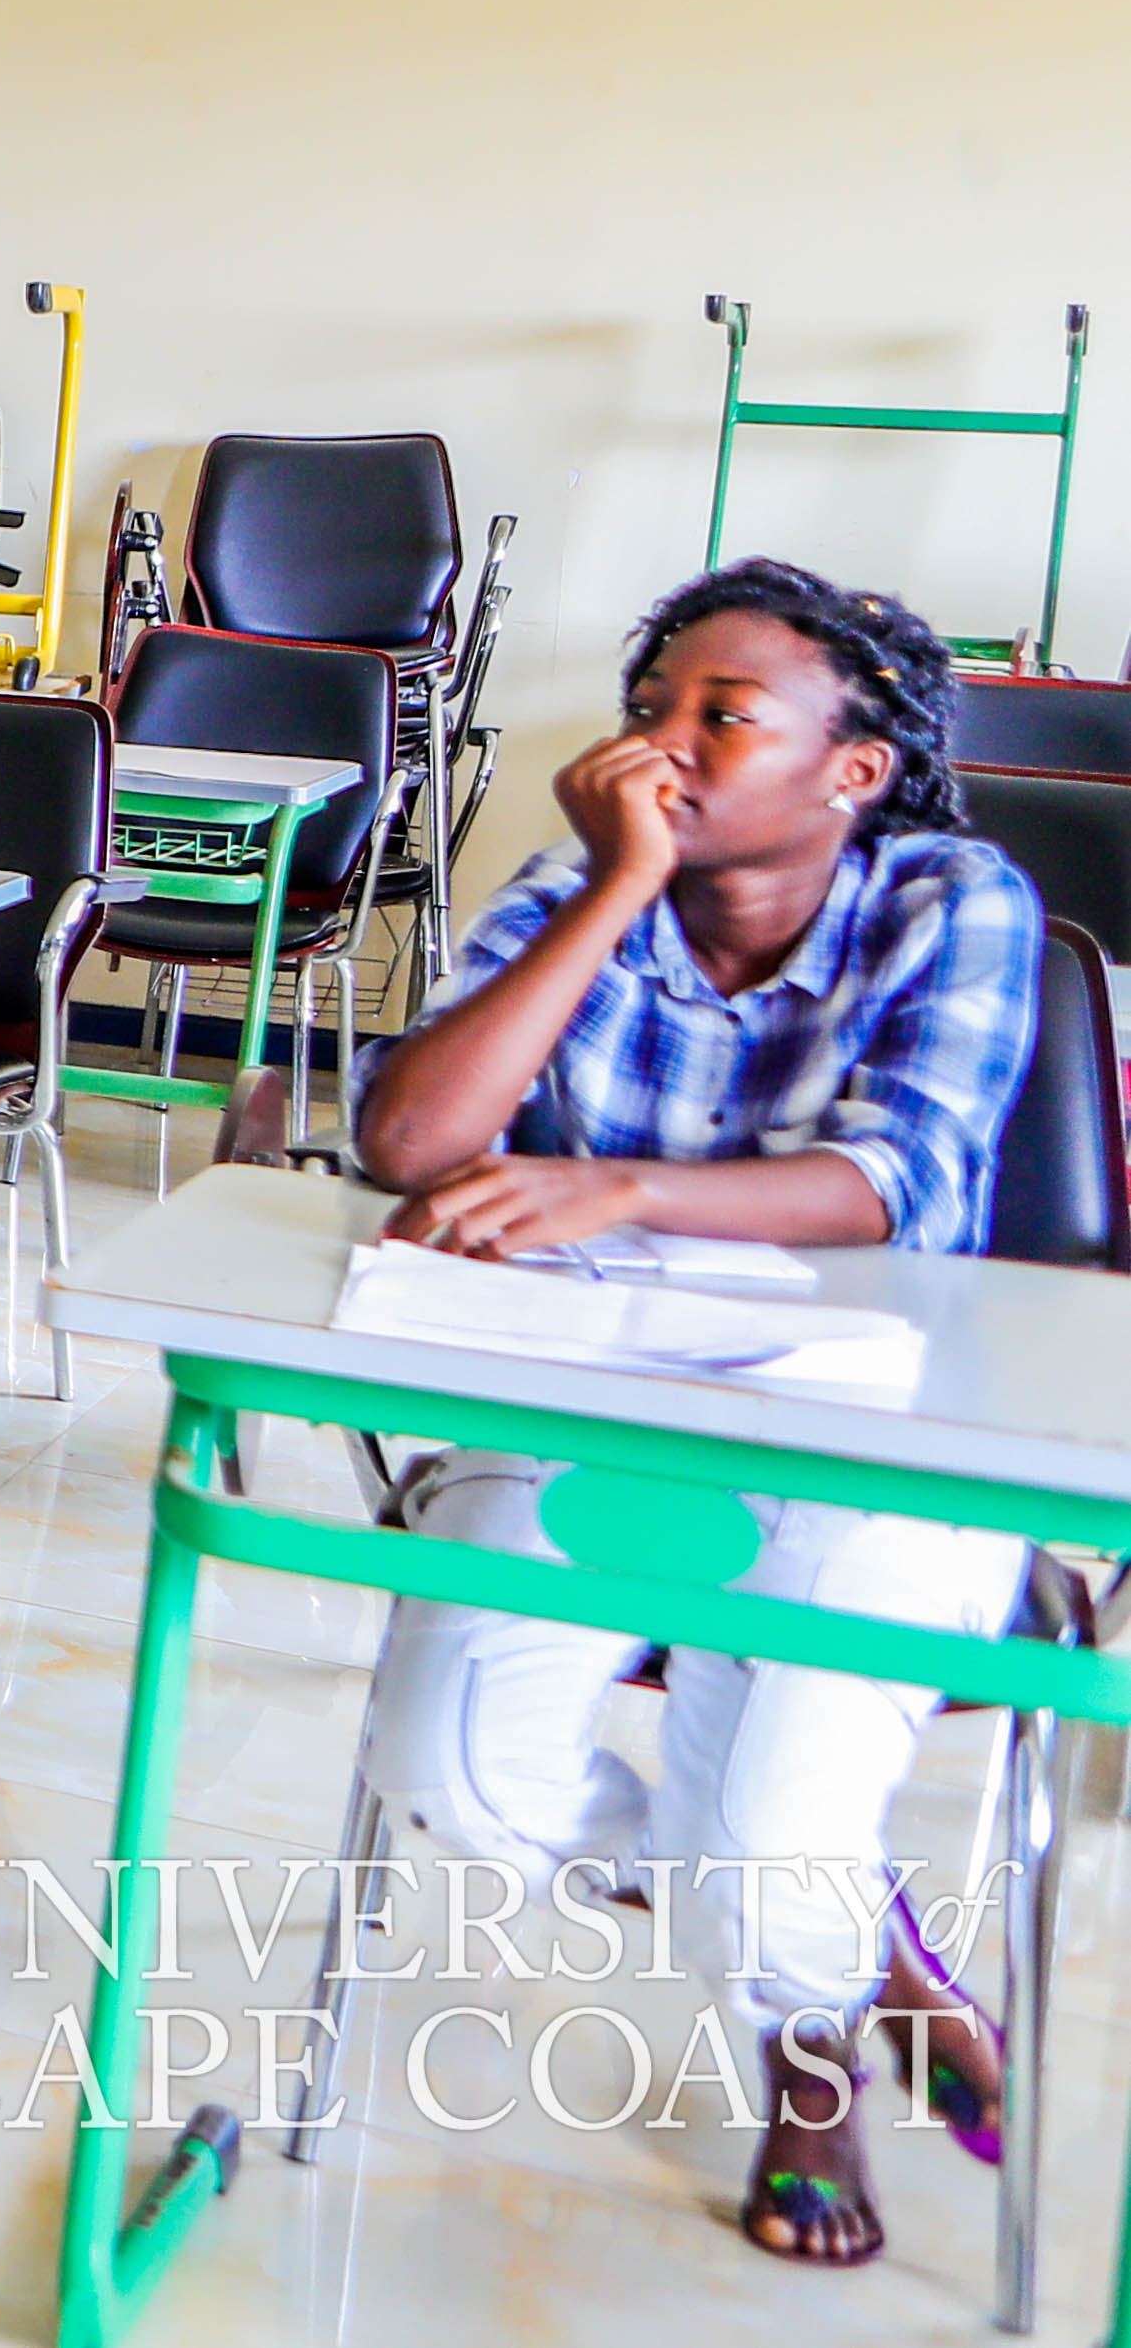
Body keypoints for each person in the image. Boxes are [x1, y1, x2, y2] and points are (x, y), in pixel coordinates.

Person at [350, 561, 1039, 2271]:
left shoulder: (956, 896)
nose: (665, 745)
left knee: (769, 1826)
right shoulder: (585, 877)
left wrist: (611, 1182)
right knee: (452, 1767)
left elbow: (895, 1179)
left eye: (721, 717)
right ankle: (844, 1932)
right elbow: (415, 1143)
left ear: (851, 768)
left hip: (880, 1433)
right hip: (606, 1407)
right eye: (651, 707)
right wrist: (619, 882)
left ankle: (808, 2050)